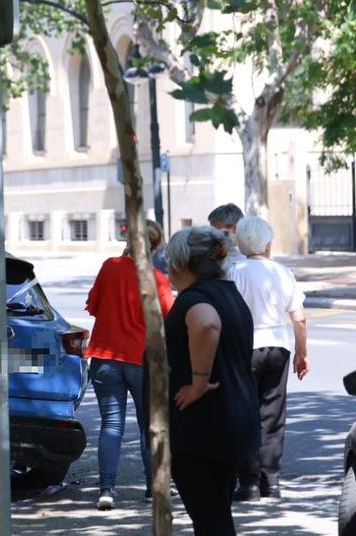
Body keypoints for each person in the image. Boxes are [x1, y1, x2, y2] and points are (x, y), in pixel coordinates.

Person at [165, 226, 260, 536]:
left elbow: (206, 324)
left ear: (182, 262)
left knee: (211, 522)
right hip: (228, 424)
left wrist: (198, 383)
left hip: (203, 429)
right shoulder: (228, 293)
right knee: (215, 516)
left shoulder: (197, 298)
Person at [85, 219, 174, 510]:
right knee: (150, 426)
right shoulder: (156, 278)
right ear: (156, 246)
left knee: (111, 425)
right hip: (141, 360)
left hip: (105, 358)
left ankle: (106, 489)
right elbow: (168, 320)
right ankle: (153, 488)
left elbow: (94, 307)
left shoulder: (109, 267)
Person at [230, 216, 309, 501]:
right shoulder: (282, 272)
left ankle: (248, 483)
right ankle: (271, 482)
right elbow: (299, 319)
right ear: (266, 243)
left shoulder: (234, 271)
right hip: (277, 346)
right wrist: (302, 353)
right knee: (273, 416)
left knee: (244, 413)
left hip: (243, 348)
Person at [208, 203, 246, 275]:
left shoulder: (248, 257)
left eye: (216, 231)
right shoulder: (210, 254)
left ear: (235, 228)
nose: (212, 235)